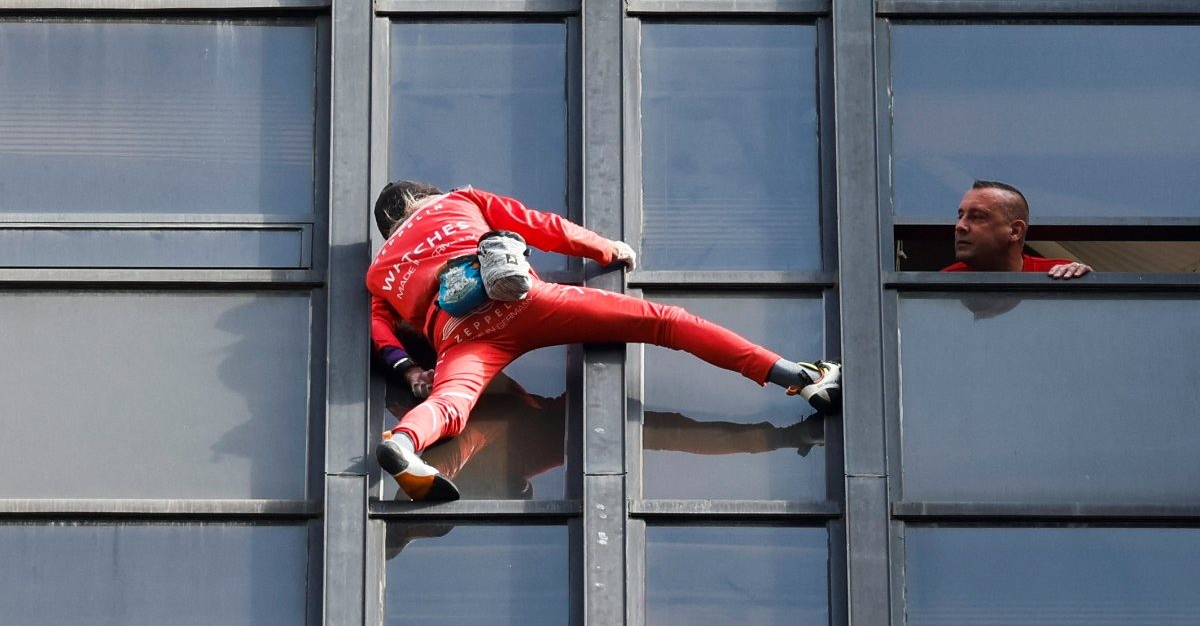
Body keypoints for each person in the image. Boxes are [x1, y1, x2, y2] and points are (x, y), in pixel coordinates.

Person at [367, 180, 842, 501]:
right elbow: (538, 224)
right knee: (664, 322)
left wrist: (410, 371)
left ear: (388, 226)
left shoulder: (378, 272)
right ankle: (799, 376)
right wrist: (605, 248)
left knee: (453, 404)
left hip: (458, 331)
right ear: (421, 196)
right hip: (518, 297)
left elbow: (382, 333)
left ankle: (406, 442)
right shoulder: (458, 201)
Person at [941, 180, 1092, 279]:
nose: (960, 226)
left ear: (1015, 231)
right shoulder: (945, 283)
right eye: (960, 216)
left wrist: (1087, 282)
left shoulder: (1056, 274)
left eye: (978, 217)